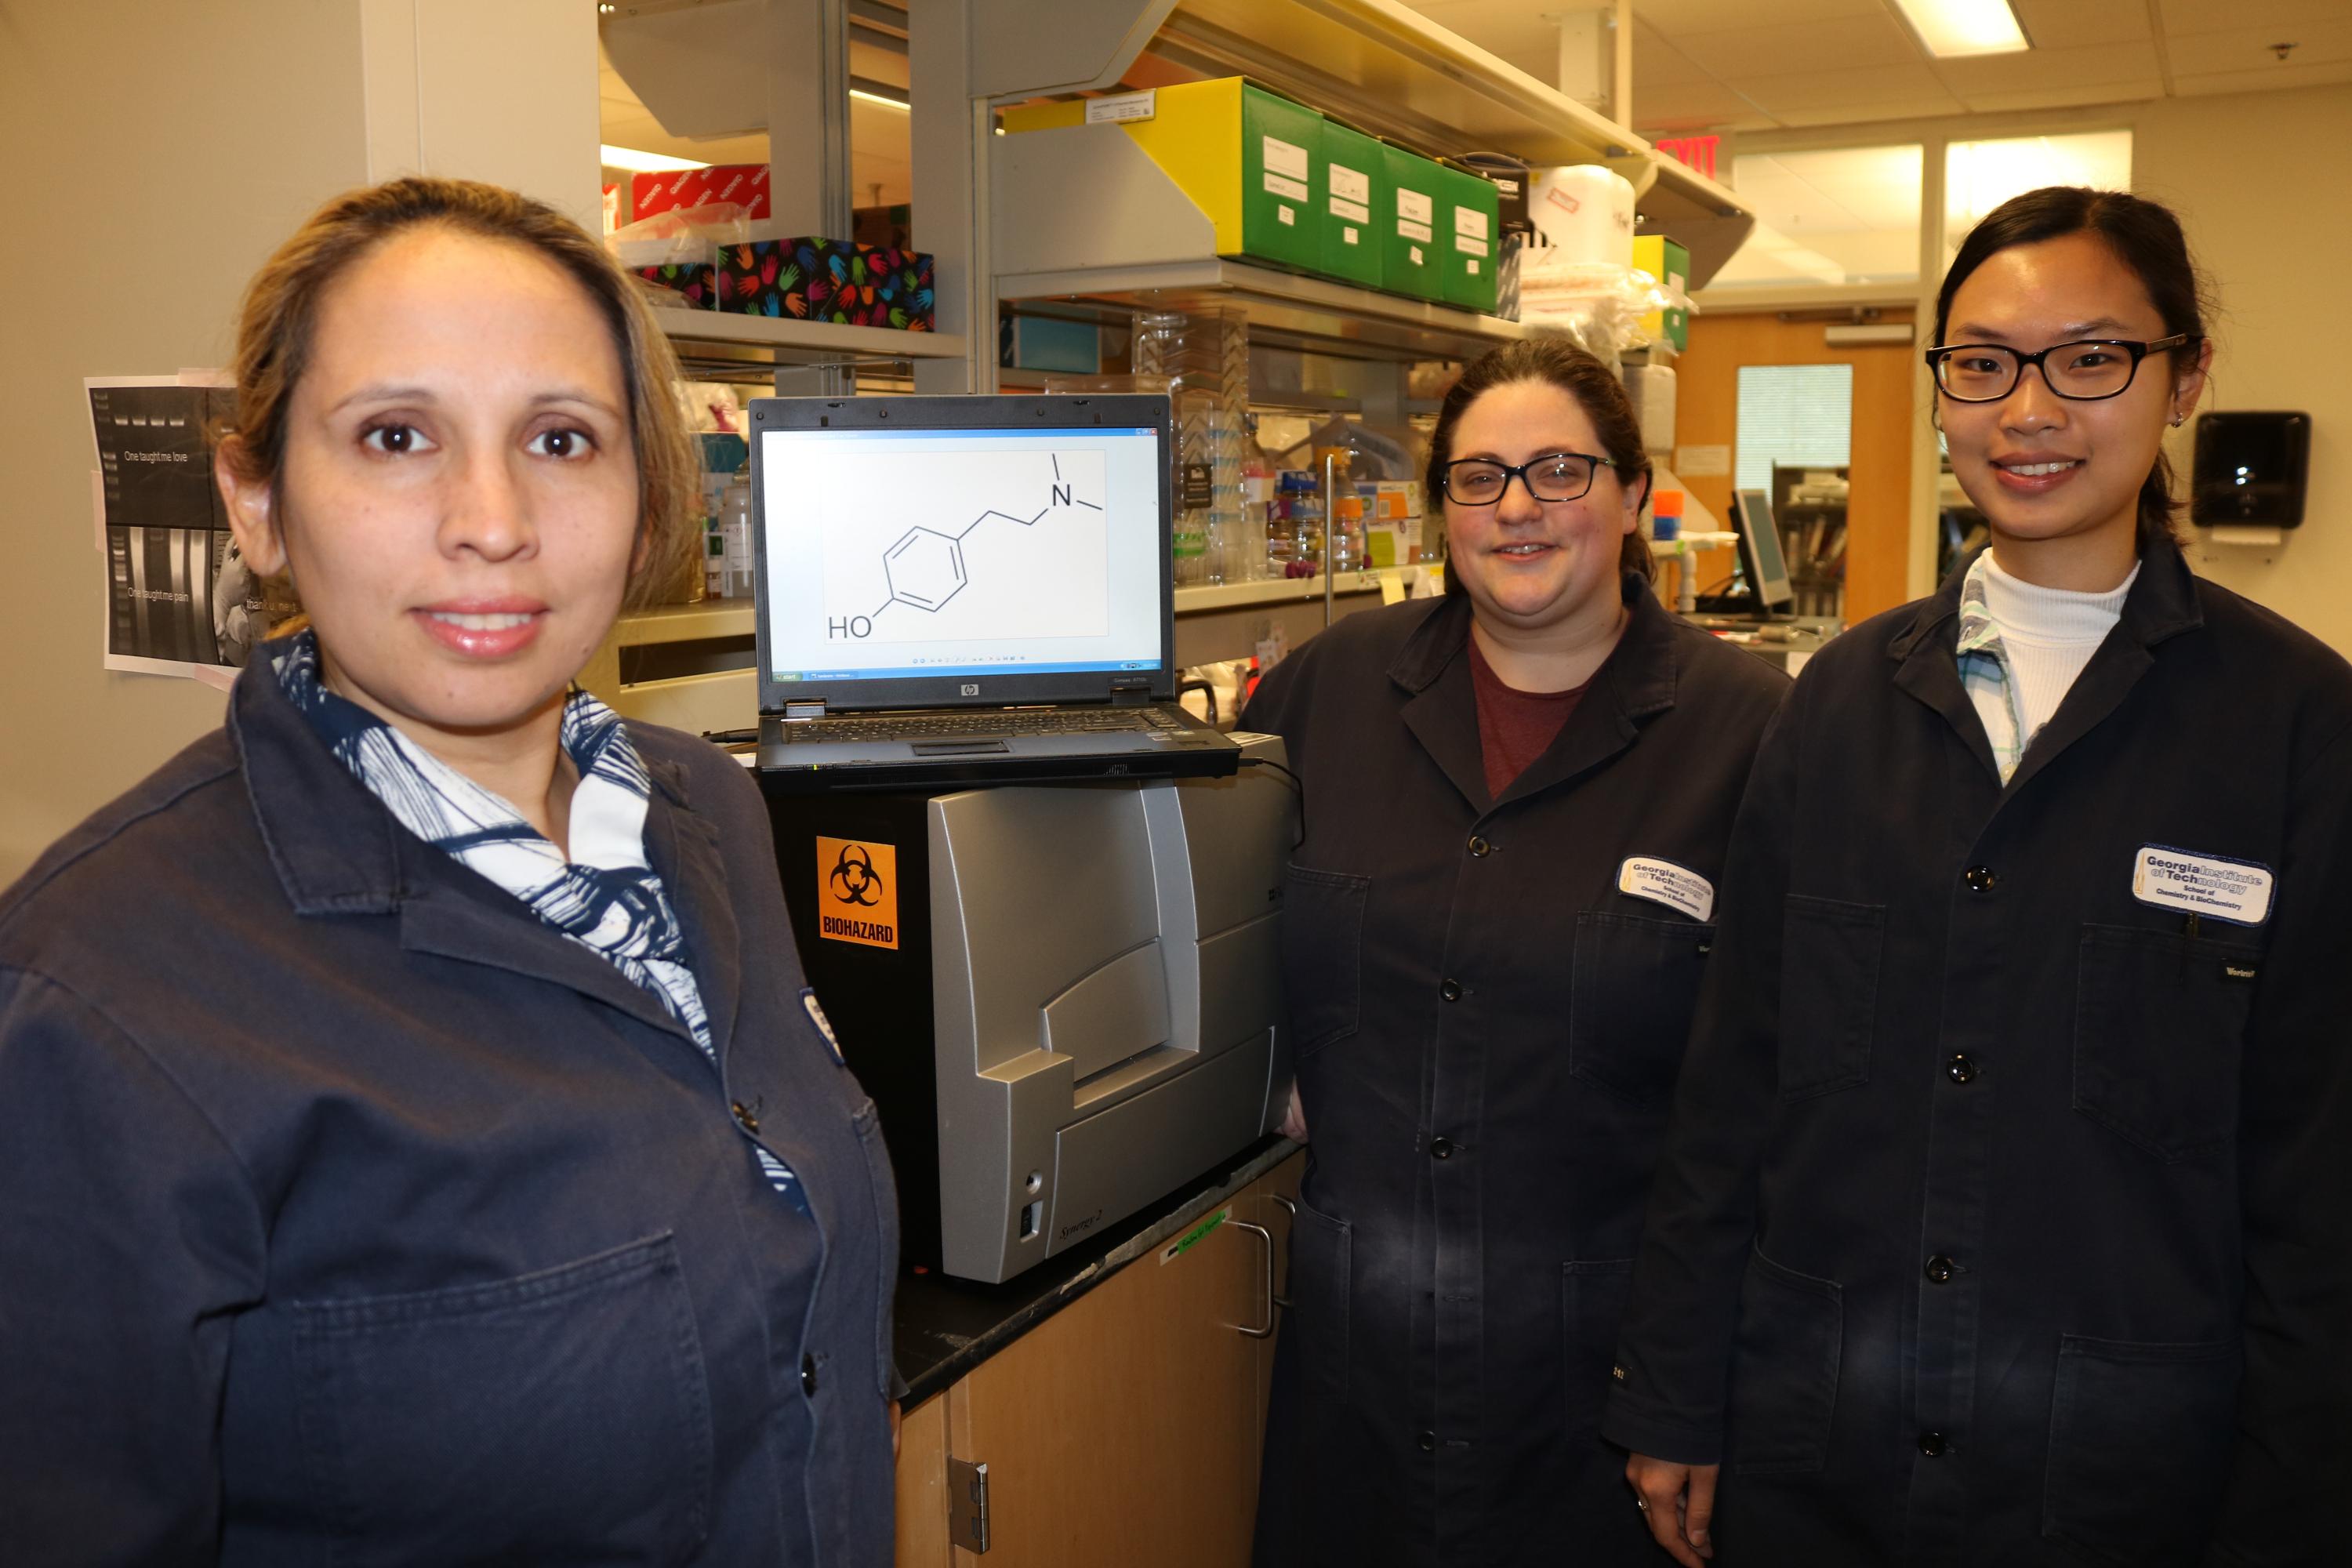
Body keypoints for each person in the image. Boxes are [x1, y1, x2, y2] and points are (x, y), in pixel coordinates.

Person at [0, 177, 899, 1564]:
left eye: (559, 437)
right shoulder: (98, 993)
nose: (492, 519)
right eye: (397, 435)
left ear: (644, 489)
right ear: (257, 504)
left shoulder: (709, 815)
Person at [1610, 186, 2352, 1568]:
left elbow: (2320, 1180)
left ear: (2182, 378)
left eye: (2091, 358)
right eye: (1984, 363)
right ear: (1943, 390)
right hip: (1817, 1450)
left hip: (2129, 1482)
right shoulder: (1834, 707)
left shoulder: (2298, 727)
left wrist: (2298, 1501)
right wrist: (1674, 1393)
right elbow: (1731, 1094)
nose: (2030, 410)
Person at [1243, 337, 1789, 1566]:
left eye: (1558, 470)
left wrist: (1686, 1388)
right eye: (1479, 478)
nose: (1519, 508)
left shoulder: (1754, 735)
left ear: (1634, 495)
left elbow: (1776, 1095)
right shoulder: (1321, 696)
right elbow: (1231, 925)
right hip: (1351, 1371)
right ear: (1443, 512)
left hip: (1602, 1390)